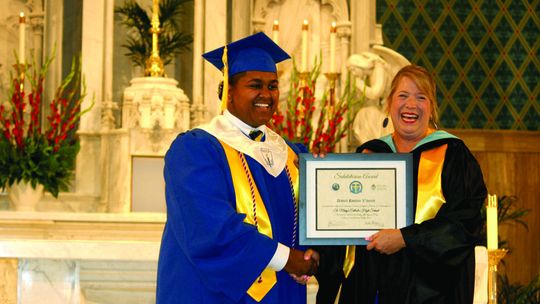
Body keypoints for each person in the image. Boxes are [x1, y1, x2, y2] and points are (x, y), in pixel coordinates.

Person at [156, 32, 319, 304]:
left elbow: (313, 221)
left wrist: (316, 252)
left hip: (282, 294)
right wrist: (288, 259)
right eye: (255, 85)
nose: (266, 95)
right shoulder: (197, 150)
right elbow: (211, 230)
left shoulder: (292, 155)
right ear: (228, 92)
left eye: (273, 86)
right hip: (213, 295)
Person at [315, 65, 487, 303]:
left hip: (430, 291)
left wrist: (406, 238)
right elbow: (342, 223)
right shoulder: (369, 153)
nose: (411, 105)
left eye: (421, 97)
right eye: (403, 96)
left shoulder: (453, 154)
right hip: (370, 287)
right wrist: (315, 255)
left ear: (432, 106)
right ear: (389, 103)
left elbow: (465, 222)